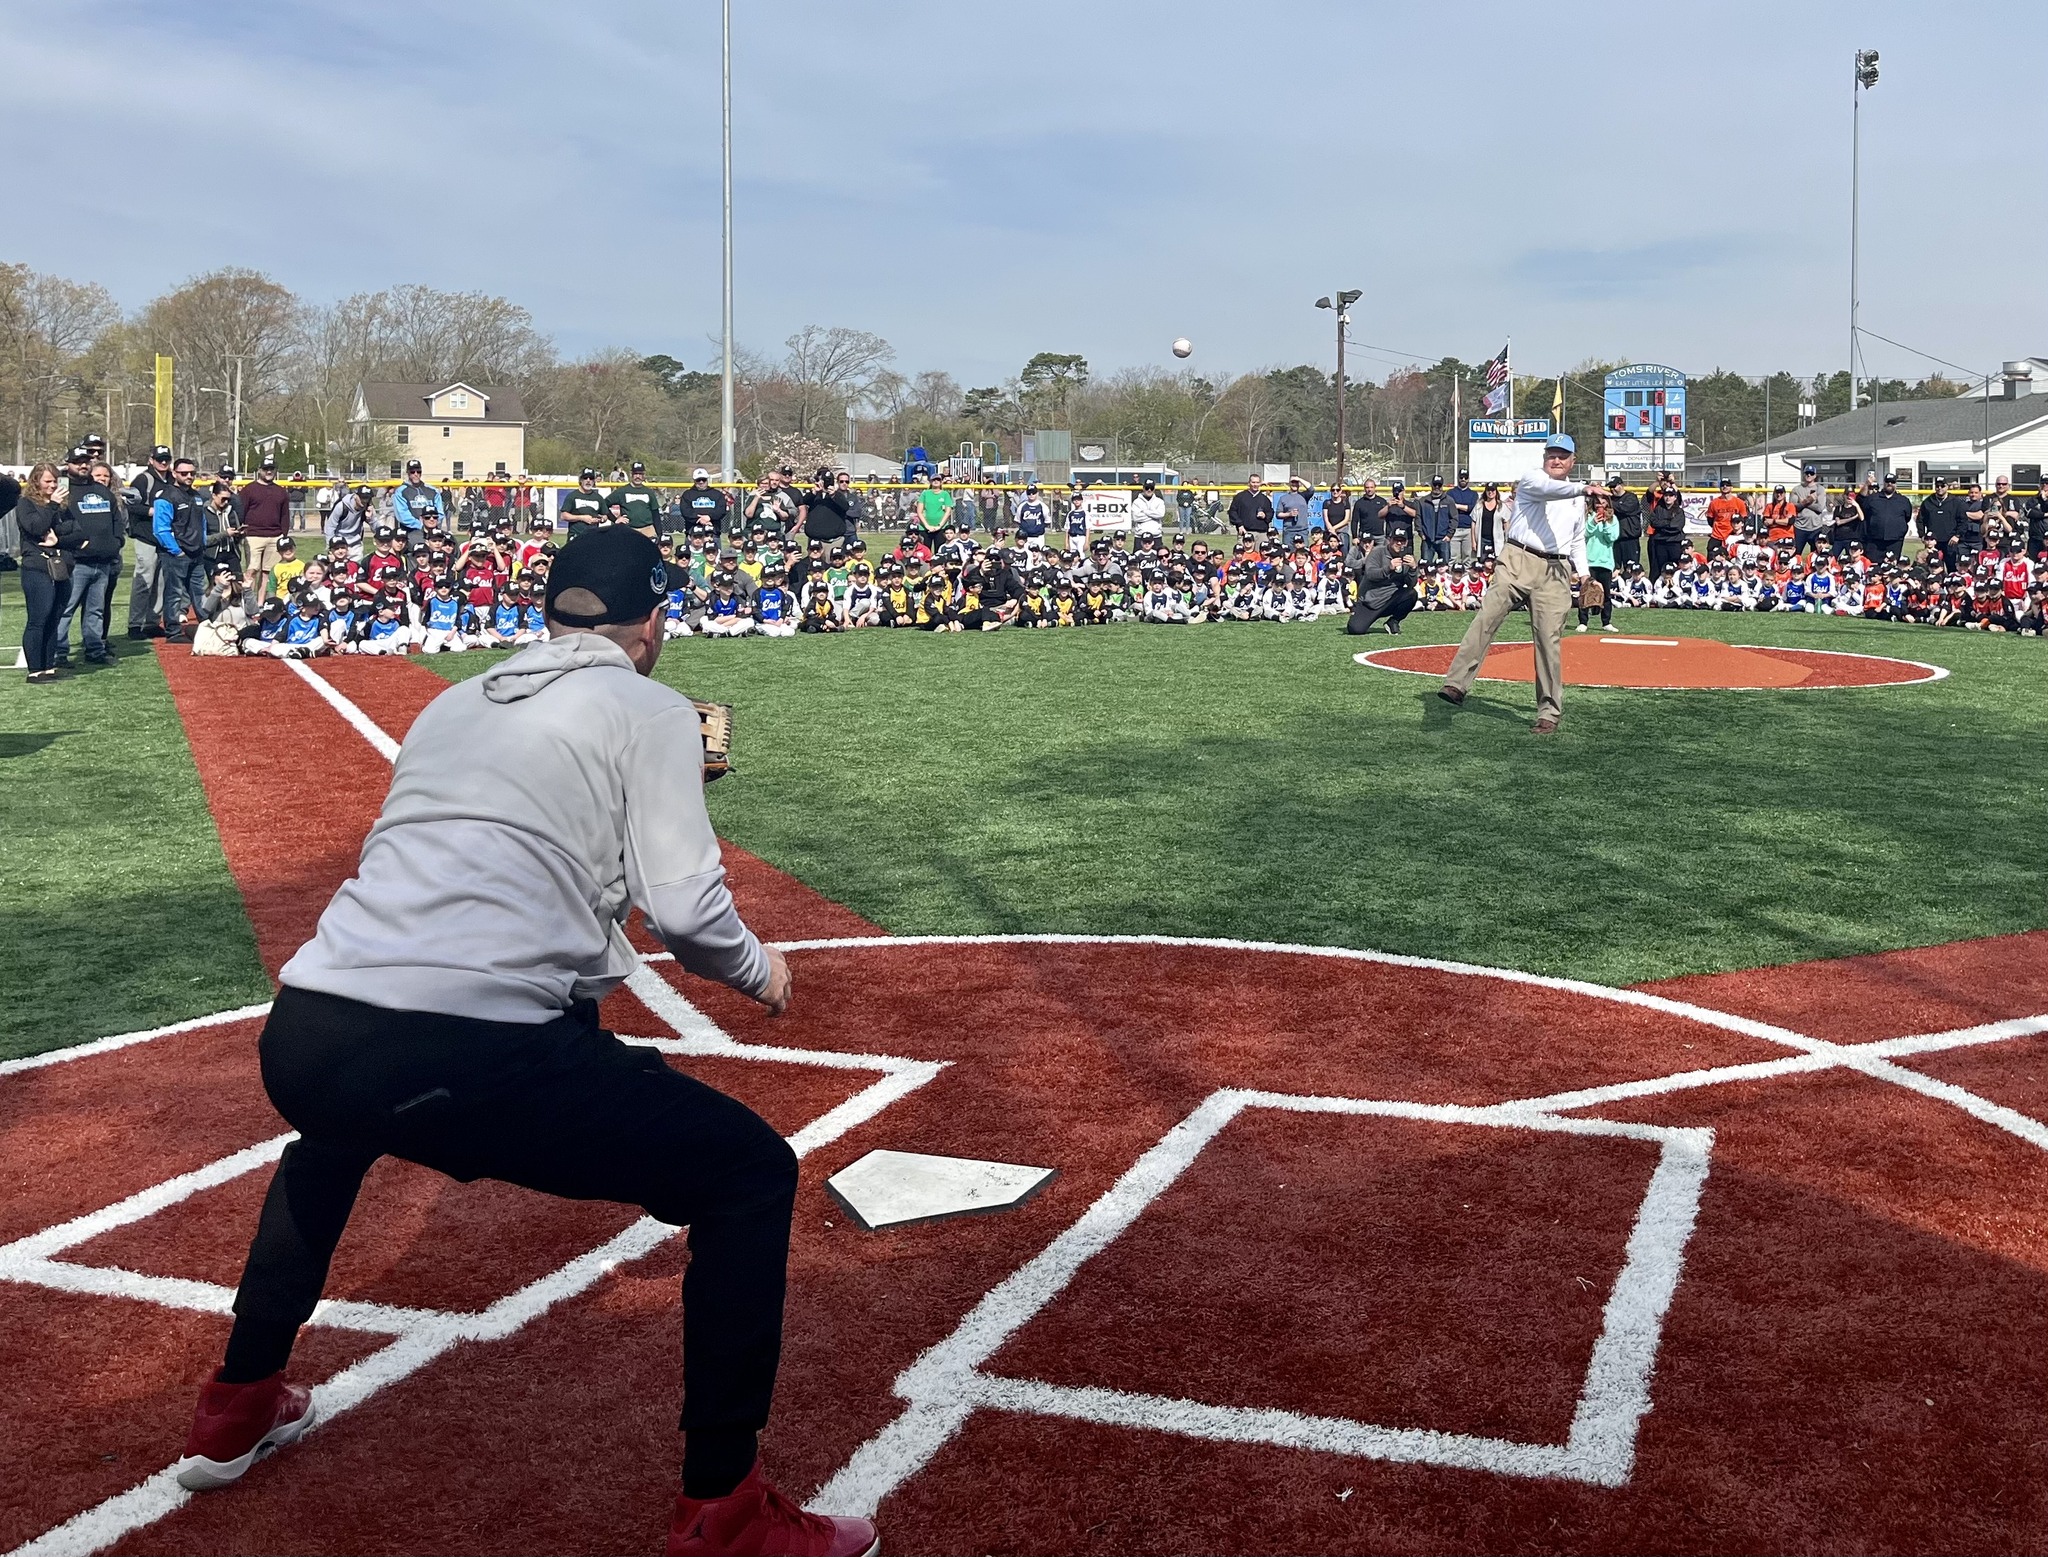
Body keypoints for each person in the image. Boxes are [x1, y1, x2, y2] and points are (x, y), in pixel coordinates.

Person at [166, 527, 872, 1554]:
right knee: (750, 1173)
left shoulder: (454, 699)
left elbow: (478, 859)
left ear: (552, 607)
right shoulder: (650, 706)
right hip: (463, 1051)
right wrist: (760, 972)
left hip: (310, 1030)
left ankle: (238, 1400)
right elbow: (682, 909)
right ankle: (723, 1510)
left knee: (333, 1136)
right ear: (652, 617)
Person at [1437, 431, 1592, 734]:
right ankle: (1456, 683)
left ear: (1573, 461)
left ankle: (1549, 711)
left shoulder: (1577, 501)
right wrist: (1585, 487)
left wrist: (1584, 575)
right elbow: (1551, 489)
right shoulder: (1535, 479)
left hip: (1556, 570)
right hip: (1518, 557)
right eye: (1552, 454)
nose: (1556, 460)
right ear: (1544, 457)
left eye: (1563, 455)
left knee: (1549, 640)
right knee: (1488, 615)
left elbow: (1577, 541)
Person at [57, 458, 127, 665]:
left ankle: (95, 650)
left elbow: (117, 519)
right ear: (68, 464)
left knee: (95, 610)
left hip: (103, 561)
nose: (83, 465)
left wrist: (117, 542)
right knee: (66, 609)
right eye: (77, 462)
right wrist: (74, 543)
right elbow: (58, 521)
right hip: (76, 563)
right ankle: (59, 652)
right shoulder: (63, 488)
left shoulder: (101, 490)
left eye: (85, 461)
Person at [17, 463, 82, 682]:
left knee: (55, 617)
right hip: (37, 567)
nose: (53, 485)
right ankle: (35, 670)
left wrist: (59, 540)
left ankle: (49, 666)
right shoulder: (26, 504)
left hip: (60, 566)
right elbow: (35, 527)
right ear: (36, 481)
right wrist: (51, 506)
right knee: (39, 618)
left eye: (55, 481)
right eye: (48, 481)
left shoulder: (62, 506)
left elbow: (78, 533)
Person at [152, 457, 216, 645]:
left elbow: (201, 524)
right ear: (174, 474)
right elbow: (160, 528)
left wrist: (202, 542)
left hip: (196, 553)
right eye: (184, 473)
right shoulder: (166, 496)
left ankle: (205, 626)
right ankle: (173, 632)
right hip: (176, 554)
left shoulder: (196, 496)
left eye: (192, 473)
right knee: (174, 592)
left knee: (198, 592)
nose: (189, 476)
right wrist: (176, 550)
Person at [126, 444, 175, 639]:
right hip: (146, 536)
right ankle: (135, 624)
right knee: (144, 579)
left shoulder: (172, 479)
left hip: (166, 538)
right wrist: (150, 511)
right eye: (159, 459)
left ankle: (153, 621)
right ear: (151, 460)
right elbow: (130, 505)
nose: (163, 462)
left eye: (166, 459)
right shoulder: (143, 479)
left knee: (161, 582)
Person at [1343, 527, 1419, 636]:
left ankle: (1393, 621)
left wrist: (1413, 569)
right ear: (1389, 540)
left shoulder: (1407, 557)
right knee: (1355, 629)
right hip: (1371, 601)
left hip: (1391, 599)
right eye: (1396, 540)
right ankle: (1358, 614)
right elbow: (1370, 574)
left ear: (1406, 542)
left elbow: (1411, 584)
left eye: (1402, 541)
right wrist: (1388, 568)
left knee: (1412, 594)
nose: (1398, 543)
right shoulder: (1377, 552)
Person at [239, 457, 294, 602]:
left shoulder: (281, 491)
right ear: (259, 470)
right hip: (253, 536)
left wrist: (284, 535)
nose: (269, 472)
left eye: (272, 469)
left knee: (268, 573)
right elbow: (241, 512)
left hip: (275, 536)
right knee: (251, 571)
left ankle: (261, 603)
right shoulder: (249, 489)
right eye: (265, 469)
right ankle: (249, 603)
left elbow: (285, 515)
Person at [1577, 486, 1620, 633]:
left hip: (1605, 562)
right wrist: (1594, 522)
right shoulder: (1589, 517)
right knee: (1586, 592)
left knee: (1606, 594)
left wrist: (1605, 524)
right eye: (1597, 503)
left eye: (1602, 503)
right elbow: (1585, 534)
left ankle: (1606, 622)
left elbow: (1612, 538)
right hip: (1589, 561)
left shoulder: (1613, 519)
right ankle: (1583, 622)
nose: (1599, 506)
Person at [608, 461, 662, 536]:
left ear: (644, 475)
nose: (638, 476)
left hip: (647, 529)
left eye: (640, 474)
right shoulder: (622, 491)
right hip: (629, 529)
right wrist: (615, 519)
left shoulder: (649, 492)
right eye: (635, 473)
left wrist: (659, 534)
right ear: (631, 474)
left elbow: (655, 514)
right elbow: (603, 505)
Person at [393, 460, 445, 535]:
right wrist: (422, 526)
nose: (416, 474)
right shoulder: (400, 492)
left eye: (418, 471)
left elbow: (440, 513)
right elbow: (403, 516)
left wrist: (432, 524)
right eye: (412, 472)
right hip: (410, 533)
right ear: (408, 472)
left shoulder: (433, 491)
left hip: (432, 533)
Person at [681, 468, 731, 542]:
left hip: (713, 534)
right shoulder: (687, 494)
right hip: (693, 535)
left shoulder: (717, 494)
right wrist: (700, 519)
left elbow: (721, 510)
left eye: (703, 479)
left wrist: (709, 517)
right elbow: (685, 511)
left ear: (707, 480)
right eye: (698, 480)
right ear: (694, 480)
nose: (701, 482)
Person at [561, 468, 607, 537]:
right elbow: (563, 516)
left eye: (591, 478)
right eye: (585, 478)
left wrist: (601, 519)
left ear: (594, 481)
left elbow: (605, 515)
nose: (588, 480)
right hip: (576, 535)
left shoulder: (598, 498)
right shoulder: (572, 496)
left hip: (593, 536)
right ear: (581, 480)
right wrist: (582, 518)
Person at [1227, 473, 1273, 540]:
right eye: (1253, 482)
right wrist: (1239, 524)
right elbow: (1232, 511)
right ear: (1249, 483)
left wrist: (1265, 516)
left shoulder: (1265, 499)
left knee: (1262, 550)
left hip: (1261, 533)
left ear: (1260, 484)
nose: (1255, 484)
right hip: (1245, 531)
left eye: (1257, 482)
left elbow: (1270, 513)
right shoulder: (1240, 497)